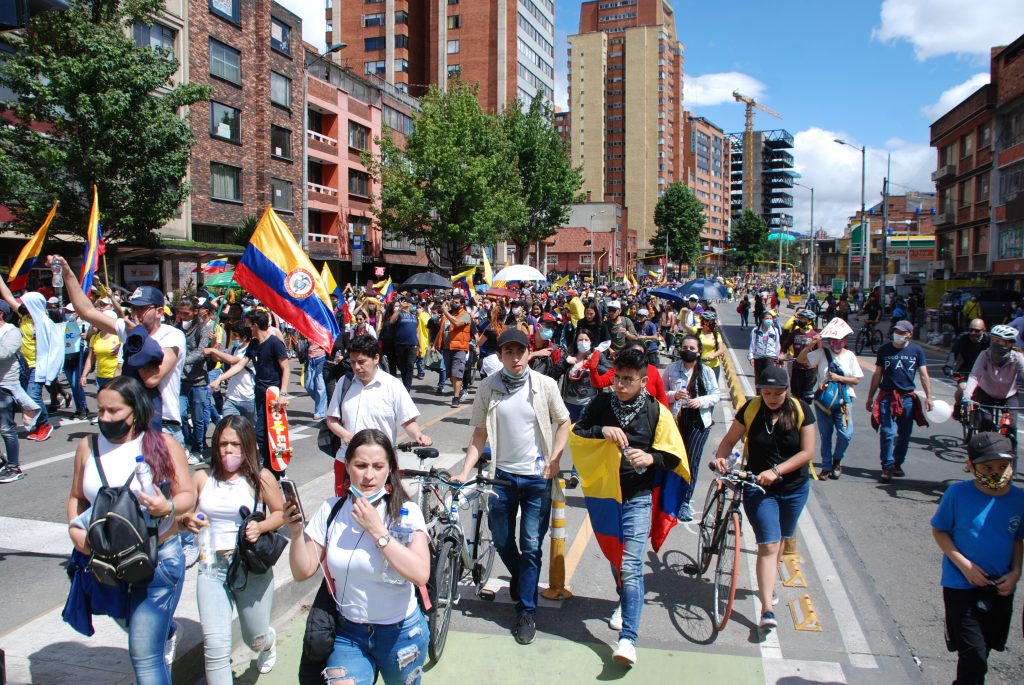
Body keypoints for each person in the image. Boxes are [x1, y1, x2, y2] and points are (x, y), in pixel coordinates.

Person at [66, 376, 195, 684]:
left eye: (114, 411)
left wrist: (168, 508)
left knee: (144, 656)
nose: (105, 418)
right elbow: (76, 498)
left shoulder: (162, 445)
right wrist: (75, 530)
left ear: (135, 412)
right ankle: (166, 630)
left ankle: (158, 634)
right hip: (106, 563)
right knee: (129, 622)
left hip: (157, 560)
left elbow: (187, 495)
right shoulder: (88, 447)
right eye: (101, 411)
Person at [571, 347, 688, 665]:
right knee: (615, 558)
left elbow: (675, 456)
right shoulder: (601, 403)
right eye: (617, 378)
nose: (620, 385)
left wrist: (651, 457)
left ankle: (628, 640)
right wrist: (600, 430)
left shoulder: (656, 412)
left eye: (627, 379)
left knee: (632, 566)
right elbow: (577, 432)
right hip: (607, 496)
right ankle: (625, 599)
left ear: (643, 380)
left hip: (638, 498)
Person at [287, 429, 431, 685]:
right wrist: (297, 532)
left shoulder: (406, 512)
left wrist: (378, 531)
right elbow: (303, 570)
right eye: (360, 465)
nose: (368, 475)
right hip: (349, 634)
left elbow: (420, 573)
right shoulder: (331, 511)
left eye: (378, 466)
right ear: (348, 467)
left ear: (389, 469)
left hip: (401, 633)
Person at [455, 328, 570, 645]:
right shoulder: (489, 387)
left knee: (531, 544)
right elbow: (479, 434)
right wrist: (464, 470)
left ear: (529, 352)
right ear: (500, 356)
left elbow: (564, 421)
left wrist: (556, 458)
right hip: (501, 477)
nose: (515, 357)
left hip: (537, 479)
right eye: (509, 352)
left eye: (520, 351)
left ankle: (526, 611)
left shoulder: (544, 386)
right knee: (503, 540)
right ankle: (523, 580)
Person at [182, 416, 286, 683]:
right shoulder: (202, 478)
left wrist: (261, 528)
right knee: (215, 646)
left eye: (235, 444)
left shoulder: (261, 479)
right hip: (211, 568)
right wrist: (187, 520)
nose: (228, 450)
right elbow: (185, 515)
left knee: (255, 637)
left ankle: (267, 642)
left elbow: (279, 514)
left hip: (249, 568)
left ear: (247, 446)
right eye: (223, 444)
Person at [713, 366, 816, 630]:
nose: (771, 397)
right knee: (768, 544)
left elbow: (807, 453)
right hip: (758, 488)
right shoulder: (751, 409)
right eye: (766, 392)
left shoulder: (801, 411)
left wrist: (777, 471)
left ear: (787, 391)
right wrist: (721, 457)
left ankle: (768, 583)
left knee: (782, 539)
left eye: (777, 393)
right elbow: (728, 440)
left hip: (794, 488)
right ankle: (767, 609)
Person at [931, 432, 1023, 685]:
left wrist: (1016, 573)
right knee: (973, 654)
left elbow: (1017, 538)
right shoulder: (958, 495)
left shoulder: (1019, 499)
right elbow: (940, 531)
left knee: (986, 648)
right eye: (987, 467)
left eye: (1003, 467)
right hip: (961, 586)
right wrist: (965, 566)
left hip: (999, 588)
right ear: (970, 466)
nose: (997, 473)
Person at [325, 334, 431, 495]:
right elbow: (331, 419)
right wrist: (345, 435)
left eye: (361, 362)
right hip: (347, 461)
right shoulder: (344, 383)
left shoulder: (392, 386)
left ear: (375, 358)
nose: (356, 367)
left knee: (382, 514)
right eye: (353, 362)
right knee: (344, 511)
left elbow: (407, 420)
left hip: (381, 464)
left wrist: (418, 435)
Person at [865, 320, 933, 483]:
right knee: (887, 432)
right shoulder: (884, 350)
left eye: (902, 333)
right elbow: (877, 374)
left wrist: (929, 397)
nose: (899, 335)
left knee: (904, 434)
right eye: (897, 332)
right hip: (887, 396)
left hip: (907, 398)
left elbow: (924, 375)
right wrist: (870, 397)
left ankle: (897, 463)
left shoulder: (917, 351)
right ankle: (887, 466)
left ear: (909, 334)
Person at [664, 334, 720, 521]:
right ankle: (669, 497)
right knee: (674, 459)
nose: (687, 351)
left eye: (692, 348)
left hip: (699, 422)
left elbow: (715, 395)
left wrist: (701, 401)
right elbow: (662, 393)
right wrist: (674, 395)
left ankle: (685, 502)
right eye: (684, 347)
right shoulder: (672, 368)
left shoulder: (706, 372)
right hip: (677, 420)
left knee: (691, 461)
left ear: (699, 352)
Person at [797, 319, 863, 479]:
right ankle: (826, 467)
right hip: (823, 401)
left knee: (845, 434)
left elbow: (856, 380)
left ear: (844, 340)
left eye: (839, 340)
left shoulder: (850, 356)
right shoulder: (822, 353)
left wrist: (839, 378)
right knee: (825, 435)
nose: (836, 343)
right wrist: (811, 344)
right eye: (833, 340)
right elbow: (801, 360)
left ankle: (837, 460)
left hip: (844, 400)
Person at [963, 325, 1024, 433]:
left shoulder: (1018, 358)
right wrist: (967, 395)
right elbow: (974, 375)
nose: (994, 343)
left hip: (1008, 395)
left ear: (1009, 344)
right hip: (987, 393)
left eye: (998, 341)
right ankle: (983, 447)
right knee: (986, 421)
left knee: (1011, 424)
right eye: (993, 340)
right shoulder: (985, 355)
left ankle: (1011, 448)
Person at [206, 322, 257, 425]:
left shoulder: (251, 350)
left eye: (235, 335)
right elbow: (216, 358)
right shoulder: (233, 348)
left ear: (244, 337)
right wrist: (214, 341)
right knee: (228, 427)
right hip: (231, 397)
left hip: (249, 398)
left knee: (249, 433)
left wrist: (212, 350)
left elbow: (233, 360)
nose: (233, 338)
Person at [0, 301, 25, 483]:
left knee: (6, 428)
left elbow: (5, 353)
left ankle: (14, 466)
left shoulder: (12, 332)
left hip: (4, 386)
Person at [435, 291, 472, 407]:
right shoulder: (448, 315)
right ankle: (458, 390)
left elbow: (457, 323)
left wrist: (445, 311)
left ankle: (455, 397)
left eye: (456, 303)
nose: (454, 304)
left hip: (459, 348)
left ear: (461, 304)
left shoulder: (465, 315)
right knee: (451, 374)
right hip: (446, 348)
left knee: (457, 373)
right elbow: (441, 331)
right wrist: (434, 344)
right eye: (453, 302)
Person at [951, 319, 990, 416]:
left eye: (977, 331)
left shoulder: (989, 339)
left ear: (983, 330)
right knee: (962, 387)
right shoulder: (962, 338)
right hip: (963, 370)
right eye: (971, 330)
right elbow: (953, 352)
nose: (973, 333)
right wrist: (948, 365)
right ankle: (957, 406)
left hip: (982, 371)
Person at [781, 309, 818, 404]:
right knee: (795, 396)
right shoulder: (795, 333)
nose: (800, 320)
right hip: (797, 368)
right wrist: (781, 354)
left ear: (809, 321)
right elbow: (785, 345)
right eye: (800, 318)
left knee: (808, 397)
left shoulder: (815, 336)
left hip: (810, 370)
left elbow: (819, 352)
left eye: (803, 318)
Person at [389, 296, 420, 391]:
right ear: (407, 304)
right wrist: (400, 309)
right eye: (412, 304)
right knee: (403, 366)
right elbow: (391, 320)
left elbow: (417, 332)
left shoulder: (414, 316)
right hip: (400, 344)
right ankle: (405, 384)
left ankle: (407, 387)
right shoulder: (400, 313)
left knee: (410, 365)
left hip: (412, 345)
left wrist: (420, 346)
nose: (413, 306)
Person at [748, 310, 782, 380]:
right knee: (759, 379)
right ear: (762, 319)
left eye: (770, 318)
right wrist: (751, 357)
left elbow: (777, 344)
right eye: (767, 318)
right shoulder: (756, 330)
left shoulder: (775, 330)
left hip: (771, 358)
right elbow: (752, 344)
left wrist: (778, 357)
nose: (769, 320)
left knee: (769, 378)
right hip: (758, 358)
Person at [695, 311, 725, 381]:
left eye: (714, 321)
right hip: (701, 365)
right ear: (705, 322)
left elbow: (721, 349)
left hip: (714, 366)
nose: (714, 323)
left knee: (713, 388)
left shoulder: (716, 334)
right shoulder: (698, 333)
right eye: (712, 321)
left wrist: (713, 355)